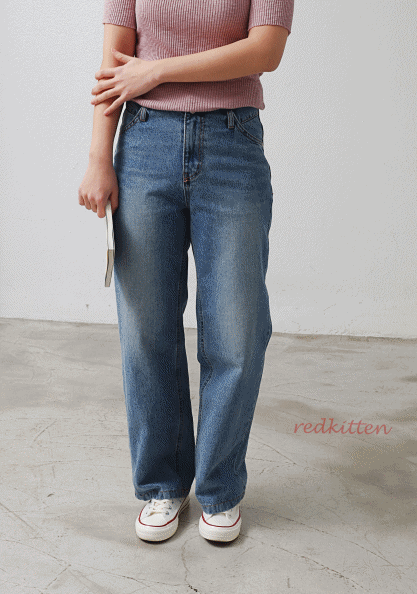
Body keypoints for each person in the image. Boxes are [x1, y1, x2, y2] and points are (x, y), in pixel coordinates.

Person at [78, 0, 294, 543]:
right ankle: (162, 484)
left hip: (232, 143)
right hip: (144, 143)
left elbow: (265, 51)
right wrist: (99, 157)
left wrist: (156, 71)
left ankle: (220, 487)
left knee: (238, 332)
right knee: (146, 330)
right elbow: (113, 66)